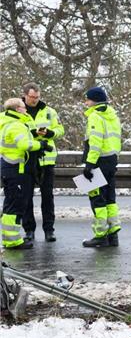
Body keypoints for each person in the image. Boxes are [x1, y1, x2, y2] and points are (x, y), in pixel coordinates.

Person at [21, 83, 65, 242]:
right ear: (25, 95)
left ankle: (49, 230)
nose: (34, 100)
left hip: (46, 159)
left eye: (37, 97)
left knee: (48, 196)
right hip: (26, 158)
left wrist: (49, 133)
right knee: (26, 196)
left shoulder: (49, 111)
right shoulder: (18, 111)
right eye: (32, 97)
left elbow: (61, 130)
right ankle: (29, 230)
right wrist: (32, 133)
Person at [81, 86, 122, 248]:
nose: (86, 102)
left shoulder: (95, 116)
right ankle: (113, 234)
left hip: (98, 162)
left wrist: (89, 165)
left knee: (97, 199)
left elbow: (95, 143)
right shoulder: (112, 116)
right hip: (111, 160)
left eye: (87, 99)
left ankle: (100, 235)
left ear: (94, 100)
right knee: (110, 199)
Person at [1, 98, 44, 250]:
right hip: (16, 169)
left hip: (8, 167)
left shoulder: (5, 122)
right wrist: (41, 145)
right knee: (16, 205)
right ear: (18, 109)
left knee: (10, 204)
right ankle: (13, 241)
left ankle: (9, 238)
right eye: (23, 107)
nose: (25, 109)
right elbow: (24, 144)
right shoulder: (16, 125)